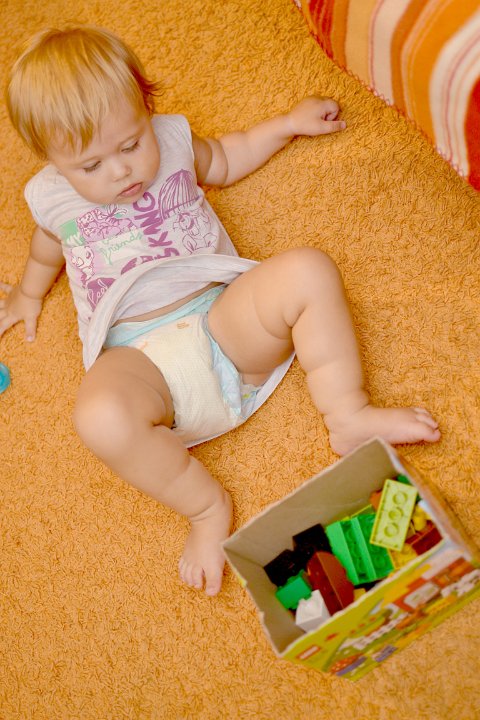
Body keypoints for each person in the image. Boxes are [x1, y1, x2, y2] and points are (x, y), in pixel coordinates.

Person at [1, 25, 440, 596]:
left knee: (307, 269)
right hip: (138, 362)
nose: (121, 171)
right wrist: (27, 293)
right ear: (54, 161)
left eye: (131, 144)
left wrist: (286, 124)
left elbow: (228, 157)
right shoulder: (50, 196)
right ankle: (206, 508)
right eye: (90, 165)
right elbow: (46, 250)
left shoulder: (172, 140)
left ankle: (348, 414)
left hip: (224, 323)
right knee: (98, 416)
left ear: (147, 107)